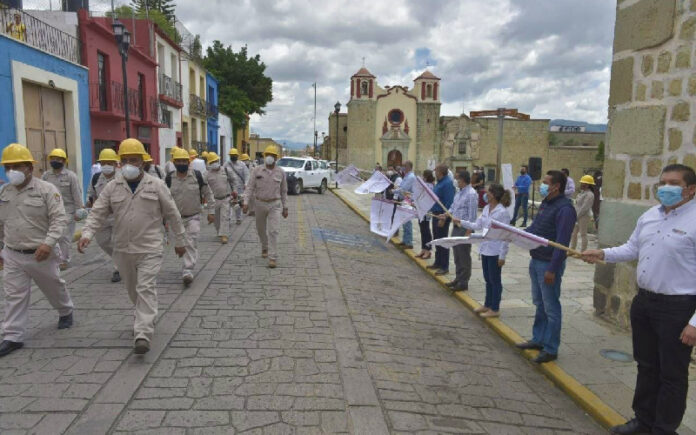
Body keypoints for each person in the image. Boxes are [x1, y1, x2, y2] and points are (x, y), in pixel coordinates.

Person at [582, 164, 696, 435]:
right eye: (662, 182)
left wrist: (695, 323)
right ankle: (643, 421)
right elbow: (632, 247)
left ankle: (664, 429)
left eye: (673, 183)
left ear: (691, 189)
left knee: (672, 375)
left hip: (677, 308)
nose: (665, 188)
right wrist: (604, 254)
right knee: (646, 366)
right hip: (644, 303)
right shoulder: (650, 215)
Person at [78, 138, 186, 355]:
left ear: (143, 163)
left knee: (145, 287)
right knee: (133, 290)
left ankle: (143, 333)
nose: (128, 164)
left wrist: (181, 240)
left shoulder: (157, 185)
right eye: (124, 160)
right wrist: (87, 233)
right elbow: (98, 211)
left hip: (150, 248)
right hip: (123, 249)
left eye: (133, 160)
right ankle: (146, 314)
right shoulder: (112, 187)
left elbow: (172, 213)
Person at [0, 144, 73, 358]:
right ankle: (12, 336)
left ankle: (66, 310)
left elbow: (59, 219)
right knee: (14, 295)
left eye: (17, 166)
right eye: (8, 167)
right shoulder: (4, 192)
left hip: (42, 253)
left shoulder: (46, 190)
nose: (12, 171)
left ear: (29, 168)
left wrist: (48, 243)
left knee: (54, 287)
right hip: (13, 253)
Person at [516, 170, 576, 363]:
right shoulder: (546, 205)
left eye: (545, 182)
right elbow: (535, 229)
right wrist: (513, 233)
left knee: (551, 306)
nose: (542, 185)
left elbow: (562, 241)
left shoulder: (565, 209)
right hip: (536, 259)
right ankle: (538, 339)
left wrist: (552, 268)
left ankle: (551, 348)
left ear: (556, 186)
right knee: (539, 303)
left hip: (548, 264)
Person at [456, 183, 511, 317]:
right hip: (485, 249)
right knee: (487, 279)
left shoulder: (502, 212)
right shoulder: (486, 208)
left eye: (487, 192)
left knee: (495, 280)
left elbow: (506, 235)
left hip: (495, 251)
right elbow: (477, 225)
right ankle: (487, 304)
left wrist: (502, 255)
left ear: (493, 194)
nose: (485, 194)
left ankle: (495, 308)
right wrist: (461, 222)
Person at [166, 147, 215, 286]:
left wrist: (211, 212)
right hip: (176, 219)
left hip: (193, 216)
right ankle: (185, 256)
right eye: (178, 161)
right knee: (181, 244)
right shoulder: (169, 178)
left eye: (184, 160)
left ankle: (187, 270)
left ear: (189, 162)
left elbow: (208, 194)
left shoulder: (197, 176)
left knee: (191, 241)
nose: (181, 163)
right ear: (174, 162)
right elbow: (164, 199)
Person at [242, 145, 288, 269]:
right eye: (268, 155)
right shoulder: (256, 170)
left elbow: (284, 191)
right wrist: (246, 202)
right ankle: (264, 246)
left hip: (275, 204)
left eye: (272, 156)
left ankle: (272, 257)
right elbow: (250, 187)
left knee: (273, 231)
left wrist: (285, 207)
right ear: (264, 156)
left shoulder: (281, 172)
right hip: (259, 203)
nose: (270, 157)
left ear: (276, 158)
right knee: (260, 229)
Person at [41, 148, 84, 270]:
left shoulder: (71, 176)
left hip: (67, 211)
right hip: (51, 210)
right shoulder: (46, 176)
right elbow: (42, 193)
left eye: (58, 159)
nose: (55, 161)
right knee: (52, 236)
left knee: (64, 236)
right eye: (53, 158)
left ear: (64, 161)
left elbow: (76, 194)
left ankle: (64, 260)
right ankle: (54, 258)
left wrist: (79, 211)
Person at [86, 148, 121, 283]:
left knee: (118, 242)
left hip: (119, 216)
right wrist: (88, 203)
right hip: (102, 217)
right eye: (104, 162)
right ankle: (124, 260)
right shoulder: (96, 177)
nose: (106, 165)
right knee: (103, 241)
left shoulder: (122, 177)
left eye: (109, 162)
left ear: (115, 163)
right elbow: (91, 193)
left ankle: (118, 269)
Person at [442, 170, 478, 291]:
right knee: (457, 254)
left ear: (463, 180)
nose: (456, 181)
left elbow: (473, 215)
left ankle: (463, 281)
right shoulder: (459, 192)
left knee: (463, 255)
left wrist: (469, 230)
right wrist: (446, 214)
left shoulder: (471, 194)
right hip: (456, 226)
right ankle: (458, 278)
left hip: (464, 228)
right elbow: (453, 207)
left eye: (458, 179)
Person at [426, 165, 455, 276]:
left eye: (436, 171)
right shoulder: (440, 182)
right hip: (436, 214)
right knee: (437, 239)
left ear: (441, 172)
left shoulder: (447, 183)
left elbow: (449, 202)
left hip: (442, 216)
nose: (434, 173)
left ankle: (444, 266)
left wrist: (444, 217)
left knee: (443, 241)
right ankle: (438, 262)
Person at [205, 152, 234, 244]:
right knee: (216, 219)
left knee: (224, 217)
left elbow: (233, 180)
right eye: (212, 161)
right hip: (214, 200)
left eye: (216, 161)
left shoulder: (225, 170)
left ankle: (224, 235)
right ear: (209, 163)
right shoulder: (206, 174)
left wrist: (235, 191)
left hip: (225, 198)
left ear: (219, 160)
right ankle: (219, 232)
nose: (215, 163)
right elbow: (203, 188)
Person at [570, 175, 596, 252]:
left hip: (584, 216)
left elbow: (585, 208)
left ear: (588, 185)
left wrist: (577, 216)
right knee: (573, 233)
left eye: (583, 183)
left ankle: (583, 251)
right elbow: (577, 204)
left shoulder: (590, 195)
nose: (581, 184)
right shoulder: (582, 193)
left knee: (583, 234)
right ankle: (572, 249)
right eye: (581, 183)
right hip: (577, 215)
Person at [394, 161, 416, 249]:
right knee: (404, 221)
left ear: (409, 167)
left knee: (407, 222)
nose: (402, 167)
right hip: (404, 200)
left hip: (408, 200)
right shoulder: (406, 176)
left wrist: (394, 191)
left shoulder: (411, 177)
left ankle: (409, 242)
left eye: (404, 166)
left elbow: (404, 188)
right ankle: (405, 240)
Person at [225, 148, 249, 225]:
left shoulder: (242, 164)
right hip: (229, 187)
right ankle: (228, 219)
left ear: (237, 155)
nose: (233, 156)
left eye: (234, 155)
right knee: (229, 203)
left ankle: (238, 218)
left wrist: (246, 184)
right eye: (232, 155)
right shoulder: (226, 164)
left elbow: (247, 175)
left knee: (238, 204)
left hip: (240, 187)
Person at [415, 169, 435, 260]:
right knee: (422, 229)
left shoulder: (429, 186)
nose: (422, 177)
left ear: (426, 177)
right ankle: (423, 249)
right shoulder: (425, 185)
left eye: (423, 176)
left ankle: (428, 250)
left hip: (426, 210)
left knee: (426, 230)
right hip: (421, 210)